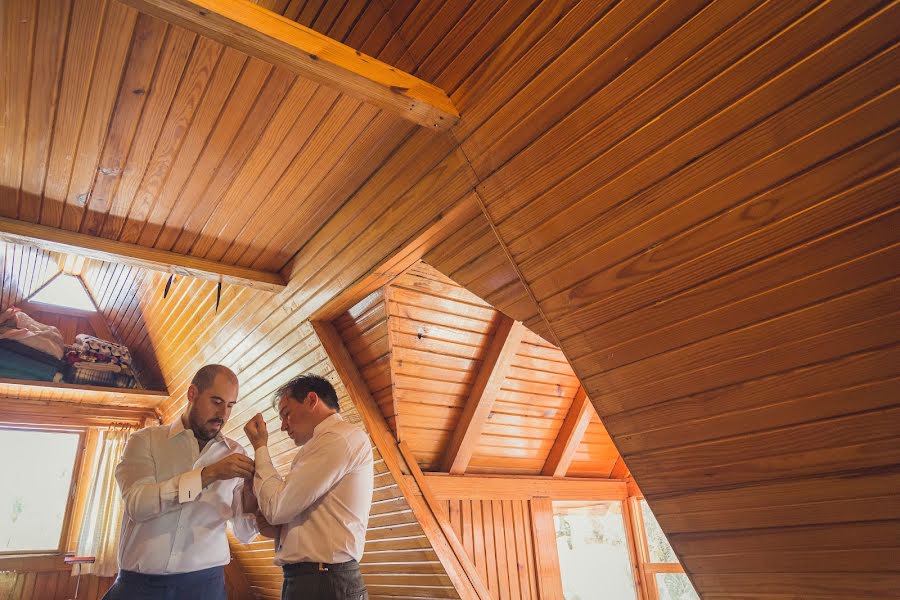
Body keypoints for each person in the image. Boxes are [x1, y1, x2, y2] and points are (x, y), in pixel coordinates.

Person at [103, 364, 258, 600]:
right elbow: (138, 505)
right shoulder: (145, 441)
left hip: (206, 587)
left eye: (230, 406)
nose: (223, 414)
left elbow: (245, 534)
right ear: (192, 393)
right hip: (139, 587)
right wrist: (208, 475)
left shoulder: (237, 453)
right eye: (216, 401)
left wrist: (250, 495)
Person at [244, 374, 374, 600]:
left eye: (286, 414)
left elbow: (276, 508)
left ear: (312, 400)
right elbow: (282, 516)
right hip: (314, 578)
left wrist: (260, 447)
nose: (284, 426)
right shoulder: (323, 445)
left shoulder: (338, 438)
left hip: (325, 582)